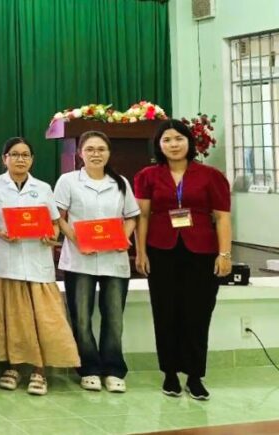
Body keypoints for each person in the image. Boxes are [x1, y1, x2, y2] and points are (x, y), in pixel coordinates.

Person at [135, 119, 232, 401]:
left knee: (198, 314)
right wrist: (140, 252)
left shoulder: (210, 175)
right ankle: (169, 374)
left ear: (189, 142)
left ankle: (194, 376)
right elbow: (141, 216)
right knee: (165, 312)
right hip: (161, 250)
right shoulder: (148, 175)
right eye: (167, 140)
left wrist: (224, 254)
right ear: (159, 145)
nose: (173, 144)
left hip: (201, 252)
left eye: (178, 138)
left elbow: (223, 217)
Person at [0, 137, 80, 396]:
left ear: (32, 159)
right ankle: (14, 367)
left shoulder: (43, 188)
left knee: (45, 318)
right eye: (14, 154)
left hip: (38, 263)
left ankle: (40, 370)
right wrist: (0, 232)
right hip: (6, 262)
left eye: (25, 155)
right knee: (13, 319)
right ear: (4, 158)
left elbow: (53, 222)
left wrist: (51, 235)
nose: (20, 159)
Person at [54, 131, 140, 393]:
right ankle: (89, 367)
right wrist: (77, 240)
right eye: (89, 149)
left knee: (114, 317)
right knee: (81, 317)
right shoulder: (68, 181)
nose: (95, 154)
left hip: (114, 259)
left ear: (109, 153)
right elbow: (59, 217)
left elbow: (131, 216)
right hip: (80, 259)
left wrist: (122, 239)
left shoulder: (120, 182)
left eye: (101, 149)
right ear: (80, 153)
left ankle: (114, 368)